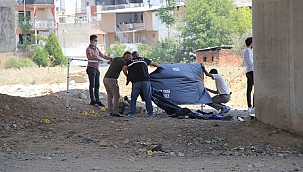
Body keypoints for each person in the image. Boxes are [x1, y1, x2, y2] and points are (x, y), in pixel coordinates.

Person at [122, 54, 162, 118]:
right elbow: (155, 64)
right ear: (138, 55)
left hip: (135, 82)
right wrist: (162, 66)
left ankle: (132, 113)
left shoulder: (130, 61)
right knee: (147, 97)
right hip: (145, 81)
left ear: (132, 56)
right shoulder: (143, 59)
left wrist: (128, 76)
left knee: (134, 98)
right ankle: (150, 113)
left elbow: (124, 69)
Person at [103, 51, 132, 117]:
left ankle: (111, 111)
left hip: (105, 78)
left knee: (110, 95)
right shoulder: (123, 62)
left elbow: (109, 62)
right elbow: (124, 69)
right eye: (129, 58)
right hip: (112, 79)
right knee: (116, 96)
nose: (129, 59)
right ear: (126, 56)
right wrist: (128, 76)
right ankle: (115, 112)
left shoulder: (116, 58)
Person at [86, 34, 112, 106]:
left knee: (97, 84)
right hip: (91, 68)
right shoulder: (88, 49)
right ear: (91, 41)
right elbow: (90, 57)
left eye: (97, 41)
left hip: (97, 68)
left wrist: (111, 58)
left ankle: (97, 100)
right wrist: (98, 59)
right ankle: (92, 100)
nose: (96, 42)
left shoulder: (97, 49)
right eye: (95, 41)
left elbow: (103, 56)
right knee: (92, 84)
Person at [242, 37, 254, 112]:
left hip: (248, 70)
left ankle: (249, 106)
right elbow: (250, 61)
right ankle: (254, 105)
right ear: (251, 43)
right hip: (252, 70)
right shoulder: (248, 51)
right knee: (255, 88)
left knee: (249, 89)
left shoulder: (244, 50)